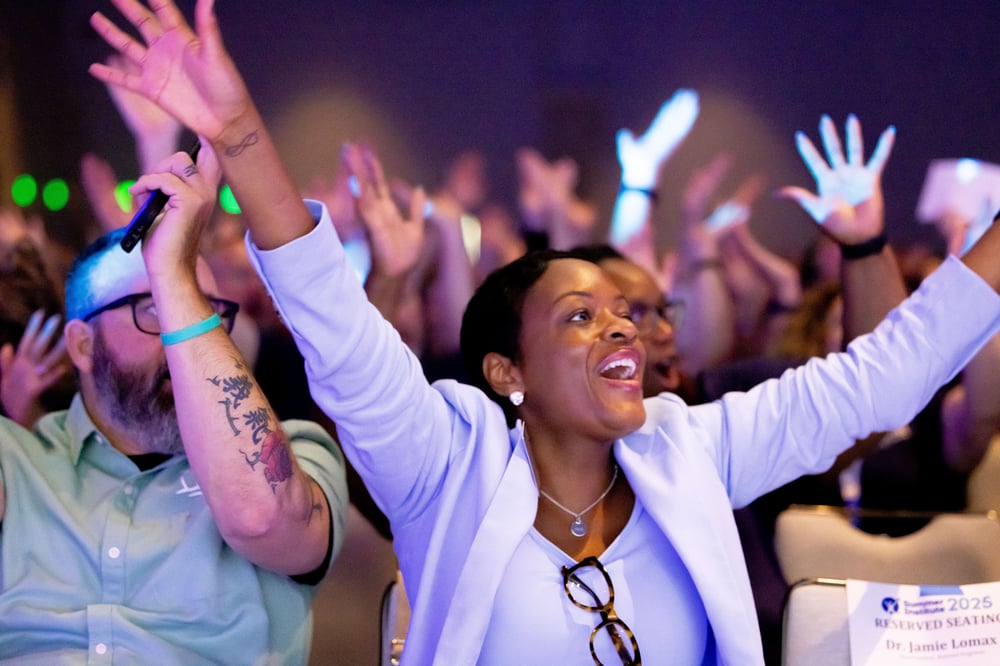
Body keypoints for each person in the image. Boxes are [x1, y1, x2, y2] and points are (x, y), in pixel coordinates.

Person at [88, 2, 1000, 663]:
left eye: (626, 312)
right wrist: (242, 131)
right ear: (505, 369)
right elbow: (330, 311)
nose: (623, 329)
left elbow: (886, 375)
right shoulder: (444, 461)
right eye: (580, 314)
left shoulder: (692, 447)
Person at [0, 142, 348, 663]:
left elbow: (263, 519)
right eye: (155, 309)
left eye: (203, 311)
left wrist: (173, 274)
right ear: (83, 345)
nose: (181, 338)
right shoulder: (16, 462)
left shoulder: (299, 454)